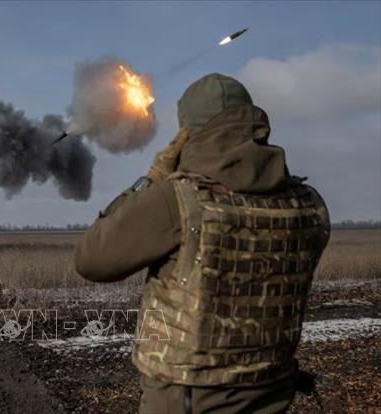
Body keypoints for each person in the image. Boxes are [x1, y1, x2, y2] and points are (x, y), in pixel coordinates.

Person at [74, 73, 331, 414]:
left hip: (188, 398)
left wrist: (151, 179)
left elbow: (91, 259)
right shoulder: (308, 204)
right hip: (272, 389)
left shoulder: (177, 199)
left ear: (187, 134)